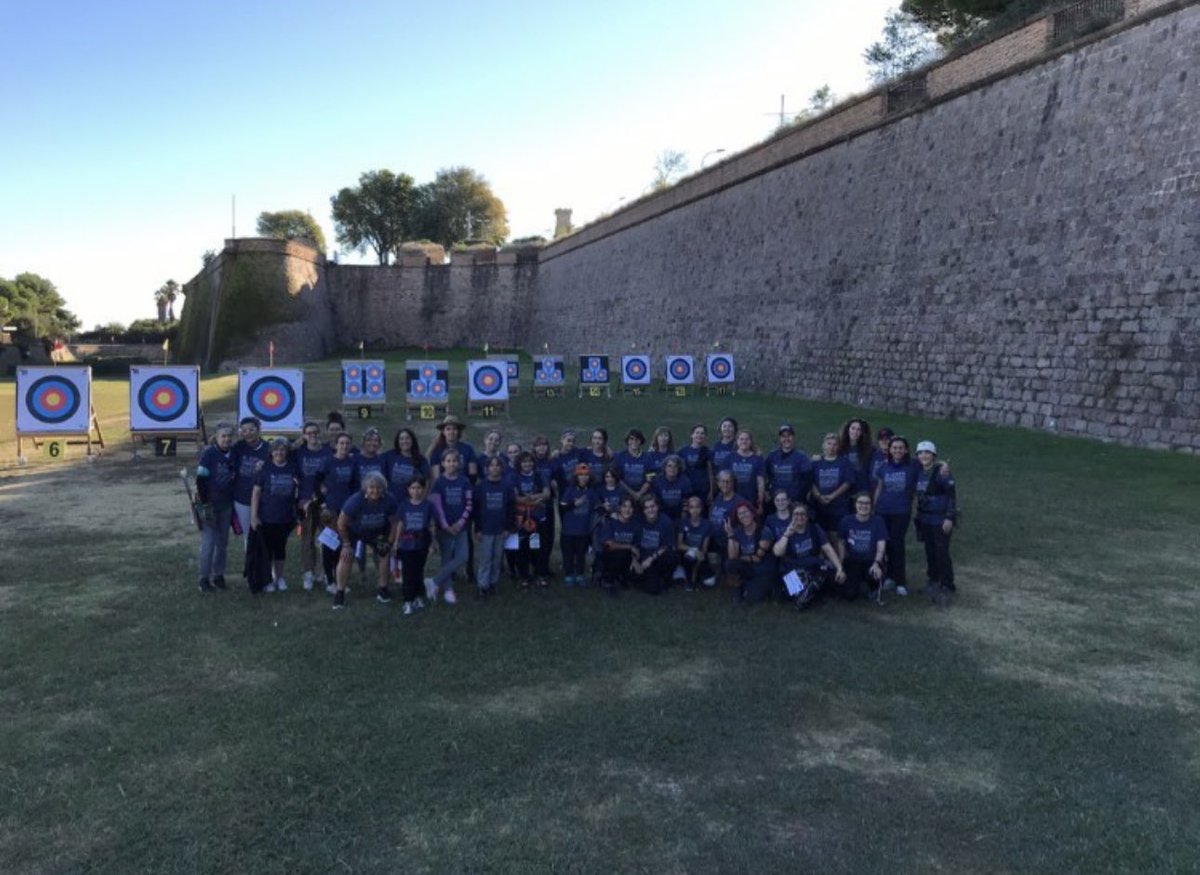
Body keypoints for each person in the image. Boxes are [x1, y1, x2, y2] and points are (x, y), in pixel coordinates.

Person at [331, 472, 401, 609]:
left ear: (384, 489)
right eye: (371, 488)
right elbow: (341, 522)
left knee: (385, 553)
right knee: (346, 556)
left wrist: (390, 542)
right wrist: (346, 544)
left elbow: (395, 522)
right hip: (354, 531)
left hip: (377, 532)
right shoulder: (355, 500)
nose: (375, 491)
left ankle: (383, 589)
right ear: (365, 488)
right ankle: (339, 593)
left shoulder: (389, 499)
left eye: (379, 488)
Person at [771, 503, 844, 609]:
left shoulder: (814, 528)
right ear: (791, 516)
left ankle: (809, 592)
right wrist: (787, 535)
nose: (800, 517)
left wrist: (839, 568)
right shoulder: (786, 530)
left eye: (803, 514)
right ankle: (807, 593)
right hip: (792, 570)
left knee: (829, 569)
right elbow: (777, 552)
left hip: (812, 566)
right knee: (796, 593)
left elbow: (827, 548)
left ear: (807, 516)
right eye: (796, 514)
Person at [250, 438, 299, 592]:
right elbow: (256, 492)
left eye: (283, 449)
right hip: (266, 517)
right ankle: (268, 579)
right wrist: (253, 516)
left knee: (280, 549)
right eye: (276, 450)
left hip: (285, 517)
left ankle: (280, 577)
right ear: (271, 452)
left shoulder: (292, 467)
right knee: (267, 550)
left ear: (287, 452)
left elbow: (298, 487)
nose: (279, 452)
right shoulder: (265, 468)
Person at [874, 434, 921, 596]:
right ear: (889, 450)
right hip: (883, 510)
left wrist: (943, 465)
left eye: (901, 447)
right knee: (884, 545)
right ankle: (887, 578)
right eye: (894, 448)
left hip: (901, 511)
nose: (897, 450)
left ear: (906, 449)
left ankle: (900, 580)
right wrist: (873, 506)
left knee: (897, 544)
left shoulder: (913, 465)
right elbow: (880, 487)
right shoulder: (884, 466)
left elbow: (931, 465)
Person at [427, 448, 472, 605]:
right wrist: (446, 525)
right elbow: (437, 507)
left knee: (463, 556)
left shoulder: (465, 481)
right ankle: (448, 589)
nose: (451, 464)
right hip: (444, 527)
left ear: (459, 463)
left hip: (461, 526)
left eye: (454, 461)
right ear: (442, 463)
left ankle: (434, 581)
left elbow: (469, 504)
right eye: (448, 461)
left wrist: (460, 523)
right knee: (446, 558)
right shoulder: (438, 482)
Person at [195, 422, 236, 592]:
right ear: (217, 437)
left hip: (226, 504)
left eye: (229, 436)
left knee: (222, 543)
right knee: (209, 543)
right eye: (223, 436)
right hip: (210, 505)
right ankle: (203, 578)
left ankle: (218, 575)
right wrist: (205, 504)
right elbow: (201, 479)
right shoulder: (209, 453)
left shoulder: (233, 453)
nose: (226, 439)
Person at [915, 440, 958, 603]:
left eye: (927, 453)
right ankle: (933, 580)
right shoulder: (919, 472)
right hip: (925, 518)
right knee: (930, 551)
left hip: (940, 518)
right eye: (921, 453)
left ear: (933, 455)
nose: (924, 456)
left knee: (942, 552)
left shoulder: (941, 472)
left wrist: (949, 517)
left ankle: (947, 584)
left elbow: (952, 495)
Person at [316, 433, 357, 593]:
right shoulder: (328, 461)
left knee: (343, 545)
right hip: (330, 509)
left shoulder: (353, 462)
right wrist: (322, 501)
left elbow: (354, 484)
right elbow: (316, 482)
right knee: (329, 545)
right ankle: (330, 580)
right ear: (336, 445)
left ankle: (340, 578)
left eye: (347, 443)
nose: (344, 446)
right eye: (341, 443)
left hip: (346, 510)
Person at [294, 421, 332, 591]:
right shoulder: (298, 453)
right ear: (304, 436)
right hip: (306, 502)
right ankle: (308, 573)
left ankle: (325, 572)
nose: (313, 435)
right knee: (308, 538)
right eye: (309, 433)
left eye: (316, 432)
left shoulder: (328, 452)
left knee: (329, 538)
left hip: (325, 502)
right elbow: (277, 453)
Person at [394, 477, 436, 615]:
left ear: (423, 489)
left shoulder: (428, 505)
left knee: (418, 572)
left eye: (419, 488)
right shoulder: (404, 505)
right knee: (407, 573)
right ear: (408, 489)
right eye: (413, 488)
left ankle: (418, 597)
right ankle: (407, 601)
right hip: (406, 544)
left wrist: (432, 543)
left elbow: (431, 526)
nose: (416, 491)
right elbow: (400, 524)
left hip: (421, 543)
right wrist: (396, 541)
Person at [474, 456, 515, 597]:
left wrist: (508, 528)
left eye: (498, 465)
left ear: (502, 468)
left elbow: (511, 508)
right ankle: (483, 585)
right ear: (487, 469)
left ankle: (493, 583)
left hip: (501, 529)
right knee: (485, 558)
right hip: (486, 529)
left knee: (497, 558)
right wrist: (477, 529)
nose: (495, 468)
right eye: (491, 465)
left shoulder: (507, 486)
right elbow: (477, 509)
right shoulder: (481, 486)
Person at [810, 432, 856, 554]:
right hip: (820, 507)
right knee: (821, 536)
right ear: (823, 446)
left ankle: (839, 564)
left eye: (835, 444)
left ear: (838, 447)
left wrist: (832, 496)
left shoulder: (844, 463)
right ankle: (824, 564)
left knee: (836, 536)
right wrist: (819, 496)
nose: (831, 447)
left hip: (839, 507)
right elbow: (811, 482)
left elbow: (847, 483)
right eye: (829, 443)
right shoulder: (815, 463)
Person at [837, 493, 889, 602]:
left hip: (871, 560)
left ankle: (873, 587)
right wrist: (841, 563)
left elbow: (881, 547)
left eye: (867, 503)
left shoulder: (878, 521)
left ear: (871, 505)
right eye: (860, 502)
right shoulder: (846, 520)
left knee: (875, 575)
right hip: (853, 560)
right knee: (849, 595)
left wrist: (877, 564)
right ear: (855, 504)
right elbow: (841, 542)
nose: (863, 506)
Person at [513, 451, 552, 587]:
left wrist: (529, 498)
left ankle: (540, 575)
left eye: (530, 461)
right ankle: (523, 576)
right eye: (524, 462)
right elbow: (515, 498)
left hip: (538, 519)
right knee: (522, 549)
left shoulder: (539, 476)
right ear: (519, 464)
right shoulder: (515, 477)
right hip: (522, 520)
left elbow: (547, 494)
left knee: (538, 548)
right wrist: (534, 500)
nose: (527, 464)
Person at [724, 500, 775, 603]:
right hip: (748, 567)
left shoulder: (764, 531)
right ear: (737, 518)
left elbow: (757, 558)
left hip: (763, 569)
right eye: (740, 514)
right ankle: (738, 588)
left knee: (751, 599)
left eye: (746, 512)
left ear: (752, 513)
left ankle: (762, 587)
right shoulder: (738, 532)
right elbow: (732, 557)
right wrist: (730, 535)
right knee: (730, 564)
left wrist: (740, 557)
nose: (744, 515)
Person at [558, 463, 598, 586]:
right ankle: (569, 574)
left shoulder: (591, 492)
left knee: (581, 554)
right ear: (576, 477)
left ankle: (580, 574)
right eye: (580, 475)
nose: (583, 477)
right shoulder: (570, 491)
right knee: (569, 553)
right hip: (569, 530)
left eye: (586, 475)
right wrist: (574, 504)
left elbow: (597, 506)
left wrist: (604, 507)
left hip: (583, 530)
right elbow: (562, 508)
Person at [231, 416, 269, 539]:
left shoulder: (268, 448)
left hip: (264, 499)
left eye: (252, 430)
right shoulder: (238, 447)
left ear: (258, 430)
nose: (248, 433)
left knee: (265, 533)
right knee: (249, 535)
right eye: (244, 430)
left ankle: (266, 558)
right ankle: (250, 558)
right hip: (242, 498)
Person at [630, 494, 677, 594]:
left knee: (672, 555)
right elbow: (633, 544)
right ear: (643, 510)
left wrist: (651, 558)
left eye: (652, 506)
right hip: (642, 557)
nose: (650, 510)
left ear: (657, 507)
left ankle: (666, 577)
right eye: (646, 508)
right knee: (642, 583)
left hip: (657, 557)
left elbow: (667, 545)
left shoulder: (666, 521)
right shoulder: (637, 520)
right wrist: (635, 561)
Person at [597, 495, 640, 594]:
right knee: (620, 553)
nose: (627, 510)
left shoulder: (636, 524)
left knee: (636, 574)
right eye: (624, 506)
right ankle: (608, 581)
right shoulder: (611, 522)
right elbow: (609, 544)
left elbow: (636, 546)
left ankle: (622, 577)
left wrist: (635, 560)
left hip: (627, 558)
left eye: (630, 507)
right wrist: (629, 546)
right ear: (620, 508)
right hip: (610, 556)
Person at [764, 424, 812, 506]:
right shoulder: (772, 455)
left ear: (793, 437)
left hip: (795, 500)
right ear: (780, 438)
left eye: (789, 436)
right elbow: (765, 475)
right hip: (776, 500)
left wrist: (799, 497)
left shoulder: (802, 457)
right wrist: (767, 490)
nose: (786, 439)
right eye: (783, 436)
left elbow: (807, 481)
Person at [677, 495, 715, 589]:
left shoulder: (707, 524)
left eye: (697, 507)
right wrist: (693, 549)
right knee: (690, 555)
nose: (694, 510)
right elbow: (679, 545)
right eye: (691, 507)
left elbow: (704, 549)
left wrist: (699, 556)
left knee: (710, 582)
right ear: (688, 509)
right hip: (686, 553)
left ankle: (695, 576)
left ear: (701, 508)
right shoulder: (683, 522)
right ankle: (687, 578)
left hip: (700, 554)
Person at [384, 427, 430, 502]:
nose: (404, 441)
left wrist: (421, 499)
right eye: (401, 439)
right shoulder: (390, 455)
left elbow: (427, 481)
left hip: (410, 503)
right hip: (392, 502)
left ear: (412, 440)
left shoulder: (421, 459)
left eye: (407, 438)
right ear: (398, 442)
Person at [429, 415, 478, 481]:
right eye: (448, 429)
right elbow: (436, 476)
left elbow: (473, 473)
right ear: (443, 432)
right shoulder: (436, 450)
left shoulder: (468, 449)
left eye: (454, 429)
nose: (451, 432)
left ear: (458, 431)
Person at [728, 429, 766, 513]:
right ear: (737, 441)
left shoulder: (758, 459)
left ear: (751, 441)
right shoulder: (730, 457)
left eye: (747, 439)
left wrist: (760, 502)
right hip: (733, 499)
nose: (744, 441)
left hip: (751, 499)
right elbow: (724, 479)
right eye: (741, 439)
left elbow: (760, 482)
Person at [612, 428, 652, 504]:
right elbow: (618, 479)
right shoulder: (619, 456)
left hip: (643, 494)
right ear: (627, 440)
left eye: (637, 439)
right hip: (624, 494)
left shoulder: (648, 457)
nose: (634, 442)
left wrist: (639, 493)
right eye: (631, 439)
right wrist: (633, 493)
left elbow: (649, 480)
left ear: (641, 441)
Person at [677, 423, 712, 508]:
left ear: (705, 436)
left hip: (703, 490)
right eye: (697, 433)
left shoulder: (708, 451)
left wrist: (711, 491)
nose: (699, 435)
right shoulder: (682, 451)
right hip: (687, 489)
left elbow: (711, 473)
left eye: (702, 433)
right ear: (692, 435)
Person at [652, 454, 693, 522]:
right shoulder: (657, 480)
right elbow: (655, 500)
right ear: (665, 468)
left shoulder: (685, 481)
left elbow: (686, 499)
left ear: (679, 469)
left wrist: (684, 513)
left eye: (675, 466)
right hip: (662, 513)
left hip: (679, 513)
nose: (672, 469)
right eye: (669, 466)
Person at [838, 417, 874, 493]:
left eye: (859, 429)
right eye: (853, 428)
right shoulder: (840, 448)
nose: (855, 432)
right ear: (848, 429)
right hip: (843, 490)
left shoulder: (870, 449)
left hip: (862, 489)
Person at [710, 417, 739, 481]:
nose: (727, 429)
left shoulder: (738, 445)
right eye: (724, 426)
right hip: (718, 481)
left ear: (734, 429)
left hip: (733, 481)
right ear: (720, 429)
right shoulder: (716, 446)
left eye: (730, 426)